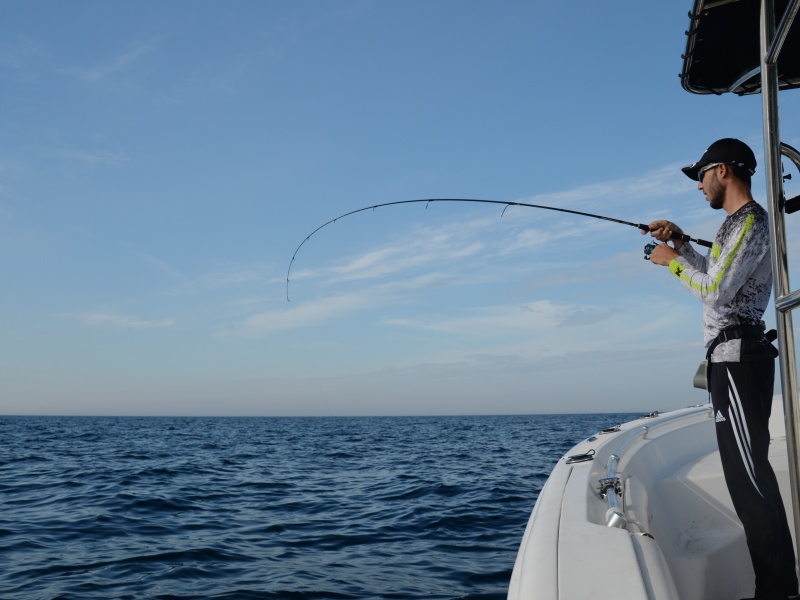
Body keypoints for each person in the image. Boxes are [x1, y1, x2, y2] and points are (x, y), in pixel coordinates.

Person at [645, 137, 799, 600]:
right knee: (747, 479)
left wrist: (672, 263)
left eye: (701, 175)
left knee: (750, 482)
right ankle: (779, 586)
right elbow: (717, 274)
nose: (698, 186)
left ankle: (777, 591)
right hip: (730, 360)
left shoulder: (751, 221)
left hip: (738, 360)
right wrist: (680, 244)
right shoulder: (736, 225)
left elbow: (716, 294)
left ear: (724, 171)